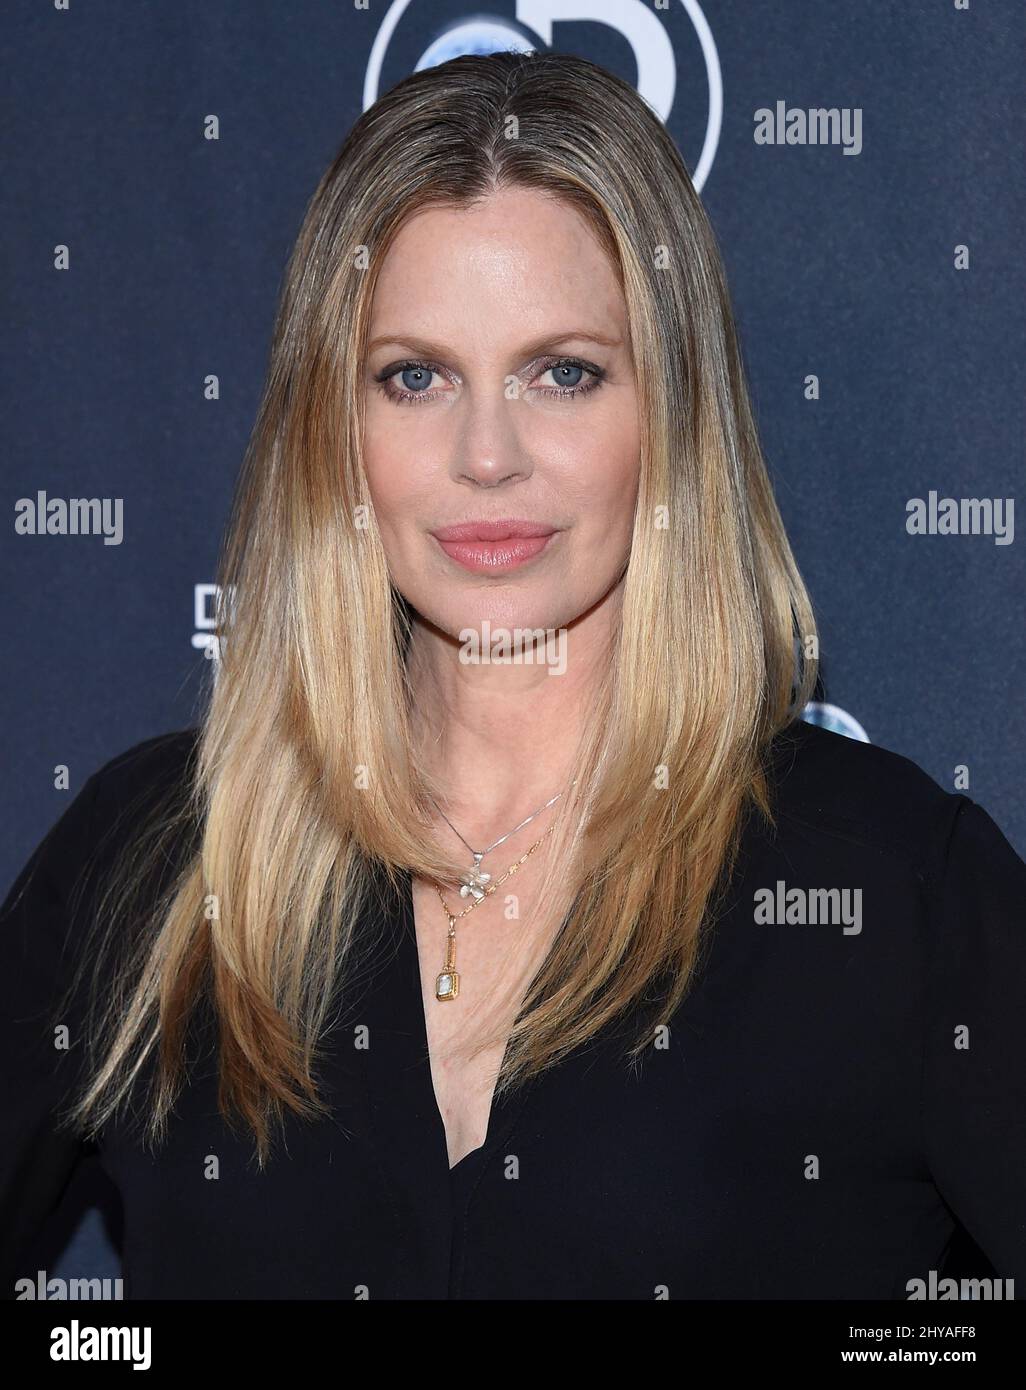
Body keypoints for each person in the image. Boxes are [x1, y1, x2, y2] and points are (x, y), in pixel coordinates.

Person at [2, 50, 1024, 1302]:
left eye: (564, 373)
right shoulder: (157, 862)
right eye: (415, 376)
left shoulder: (892, 890)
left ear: (674, 415)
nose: (487, 454)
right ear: (332, 428)